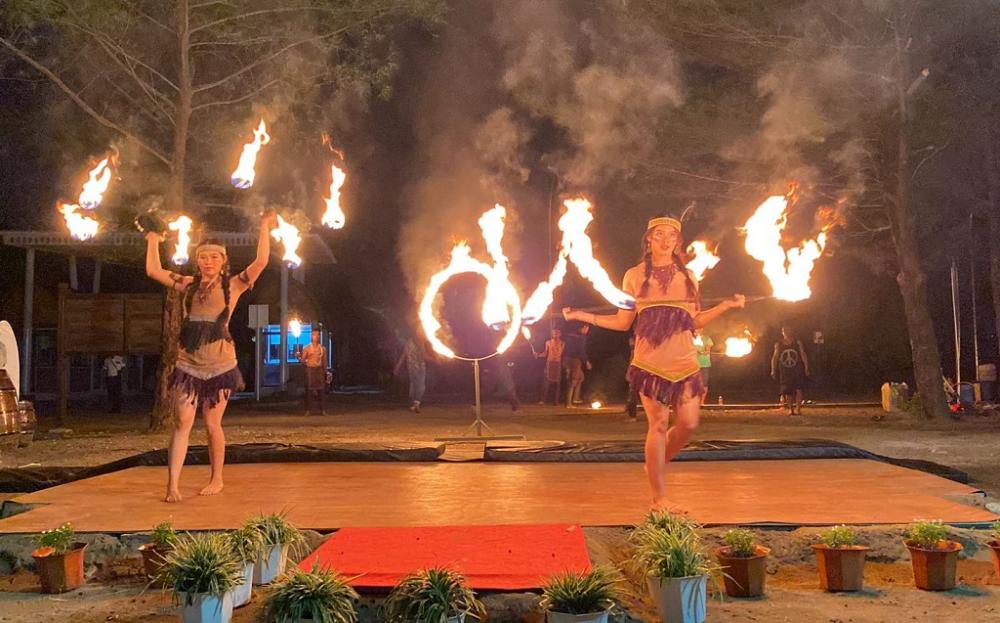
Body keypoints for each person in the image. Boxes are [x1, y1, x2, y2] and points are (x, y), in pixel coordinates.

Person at [563, 215, 744, 508]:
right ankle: (659, 497)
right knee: (658, 425)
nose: (665, 240)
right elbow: (624, 322)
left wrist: (724, 306)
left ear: (677, 241)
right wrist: (583, 316)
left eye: (671, 235)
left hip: (685, 361)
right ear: (648, 239)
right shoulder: (634, 275)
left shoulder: (688, 277)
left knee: (688, 423)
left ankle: (654, 465)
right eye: (659, 234)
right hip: (650, 363)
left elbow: (695, 321)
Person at [144, 211, 276, 503]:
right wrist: (153, 239)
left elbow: (262, 262)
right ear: (198, 260)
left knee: (213, 424)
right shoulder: (187, 284)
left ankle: (217, 479)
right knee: (182, 423)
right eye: (204, 257)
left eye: (215, 257)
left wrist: (264, 227)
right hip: (188, 364)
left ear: (223, 261)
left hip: (221, 366)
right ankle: (173, 485)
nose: (208, 261)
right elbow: (154, 271)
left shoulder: (235, 285)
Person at [770, 325, 810, 415]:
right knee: (788, 391)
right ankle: (791, 409)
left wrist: (806, 367)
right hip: (785, 370)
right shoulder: (778, 344)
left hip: (797, 369)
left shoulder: (797, 342)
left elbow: (803, 354)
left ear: (791, 331)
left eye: (788, 330)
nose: (786, 332)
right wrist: (773, 369)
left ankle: (798, 409)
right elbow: (775, 357)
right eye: (784, 331)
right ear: (782, 332)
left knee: (799, 388)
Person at [394, 336, 426, 413]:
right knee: (418, 385)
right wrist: (398, 366)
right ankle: (415, 403)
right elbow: (404, 355)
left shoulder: (420, 342)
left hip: (418, 367)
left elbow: (404, 355)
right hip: (414, 367)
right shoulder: (410, 343)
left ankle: (415, 404)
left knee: (418, 385)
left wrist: (398, 366)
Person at [563, 324, 592, 407]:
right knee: (573, 380)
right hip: (575, 360)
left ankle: (575, 397)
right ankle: (568, 403)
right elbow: (581, 350)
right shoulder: (581, 337)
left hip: (567, 358)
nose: (586, 330)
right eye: (586, 328)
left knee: (581, 377)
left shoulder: (570, 335)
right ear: (581, 328)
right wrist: (586, 362)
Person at [536, 328, 565, 405]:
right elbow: (545, 353)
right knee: (546, 382)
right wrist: (538, 354)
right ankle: (542, 400)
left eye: (556, 333)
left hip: (557, 364)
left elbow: (561, 354)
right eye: (553, 333)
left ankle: (556, 401)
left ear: (560, 334)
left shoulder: (562, 343)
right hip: (549, 363)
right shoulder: (548, 342)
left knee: (557, 383)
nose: (555, 334)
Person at [301, 329, 327, 415]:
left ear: (319, 336)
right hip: (310, 370)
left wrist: (325, 372)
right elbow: (303, 361)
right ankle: (308, 410)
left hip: (319, 370)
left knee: (322, 391)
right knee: (309, 391)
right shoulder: (307, 348)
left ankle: (323, 410)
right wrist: (299, 356)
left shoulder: (322, 349)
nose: (315, 336)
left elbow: (324, 361)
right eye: (313, 335)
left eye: (317, 335)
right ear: (311, 336)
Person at [694, 332, 714, 405]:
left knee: (704, 384)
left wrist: (702, 352)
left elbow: (707, 351)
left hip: (705, 364)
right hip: (692, 365)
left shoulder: (707, 338)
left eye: (700, 328)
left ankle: (702, 402)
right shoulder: (689, 338)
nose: (698, 330)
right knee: (692, 384)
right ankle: (694, 402)